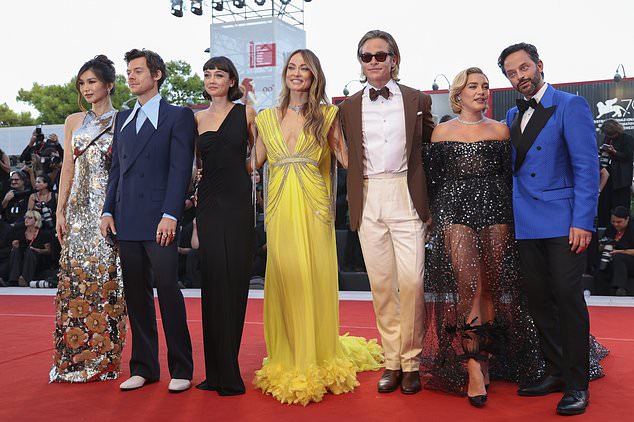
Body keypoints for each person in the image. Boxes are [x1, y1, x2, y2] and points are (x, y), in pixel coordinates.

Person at [250, 48, 382, 406]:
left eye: (303, 69)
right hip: (278, 210)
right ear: (285, 74)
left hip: (313, 209)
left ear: (314, 76)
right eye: (291, 68)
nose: (296, 74)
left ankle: (316, 353)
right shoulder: (265, 118)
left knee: (311, 276)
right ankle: (289, 353)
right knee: (285, 275)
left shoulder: (327, 115)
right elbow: (254, 163)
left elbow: (346, 159)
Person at [422, 67, 543, 407]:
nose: (481, 91)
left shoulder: (501, 130)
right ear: (458, 93)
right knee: (467, 286)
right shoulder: (441, 133)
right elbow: (435, 181)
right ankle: (473, 364)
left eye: (485, 86)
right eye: (473, 86)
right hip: (454, 211)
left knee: (489, 286)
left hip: (497, 210)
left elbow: (510, 176)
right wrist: (435, 218)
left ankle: (485, 357)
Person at [499, 42, 599, 415]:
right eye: (511, 73)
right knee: (539, 302)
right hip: (526, 224)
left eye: (524, 68)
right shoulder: (510, 113)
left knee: (568, 300)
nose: (519, 76)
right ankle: (555, 371)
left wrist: (582, 222)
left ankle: (576, 383)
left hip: (563, 223)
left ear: (539, 65)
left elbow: (587, 169)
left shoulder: (570, 105)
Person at [338, 30, 434, 394]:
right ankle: (392, 361)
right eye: (367, 56)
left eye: (381, 55)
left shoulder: (417, 99)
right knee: (381, 286)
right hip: (369, 196)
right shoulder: (347, 106)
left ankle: (412, 361)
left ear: (394, 58)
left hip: (406, 194)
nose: (374, 62)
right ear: (360, 62)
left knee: (411, 282)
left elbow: (431, 143)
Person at [100, 49, 194, 393]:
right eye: (128, 71)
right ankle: (143, 366)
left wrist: (171, 214)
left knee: (168, 291)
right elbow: (116, 172)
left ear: (156, 75)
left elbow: (180, 169)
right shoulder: (123, 119)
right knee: (136, 296)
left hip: (161, 221)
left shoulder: (178, 116)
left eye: (138, 70)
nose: (131, 76)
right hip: (126, 219)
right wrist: (108, 210)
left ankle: (181, 367)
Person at [50, 55, 127, 383]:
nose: (86, 88)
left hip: (107, 212)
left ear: (109, 84)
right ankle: (72, 358)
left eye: (92, 82)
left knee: (106, 283)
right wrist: (59, 209)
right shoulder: (72, 121)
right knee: (74, 284)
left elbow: (123, 170)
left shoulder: (123, 120)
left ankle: (106, 360)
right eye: (82, 83)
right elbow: (68, 166)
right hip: (78, 213)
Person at [194, 56, 255, 396]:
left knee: (234, 282)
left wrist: (253, 170)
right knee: (213, 282)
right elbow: (197, 163)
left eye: (219, 74)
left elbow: (257, 152)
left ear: (231, 81)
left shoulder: (246, 112)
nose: (212, 79)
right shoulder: (197, 118)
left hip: (237, 204)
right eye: (207, 74)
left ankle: (229, 371)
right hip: (208, 205)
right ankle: (214, 372)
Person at [597, 119, 634, 227]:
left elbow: (628, 157)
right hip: (608, 178)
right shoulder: (607, 139)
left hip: (621, 179)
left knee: (620, 205)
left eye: (610, 133)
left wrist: (614, 152)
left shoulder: (627, 139)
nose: (609, 136)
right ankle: (605, 228)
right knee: (605, 205)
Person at [594, 206, 634, 295]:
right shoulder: (611, 229)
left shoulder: (632, 229)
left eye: (619, 222)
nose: (616, 224)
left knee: (618, 258)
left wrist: (620, 252)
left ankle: (620, 288)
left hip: (629, 261)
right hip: (611, 260)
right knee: (600, 271)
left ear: (627, 219)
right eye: (613, 221)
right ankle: (601, 295)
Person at [8, 210, 51, 287]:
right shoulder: (21, 232)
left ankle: (25, 279)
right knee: (15, 251)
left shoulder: (43, 233)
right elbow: (17, 246)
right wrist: (15, 244)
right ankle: (13, 279)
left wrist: (38, 250)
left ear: (36, 220)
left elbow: (48, 250)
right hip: (22, 259)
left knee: (30, 252)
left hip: (37, 259)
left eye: (30, 218)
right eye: (25, 217)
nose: (26, 220)